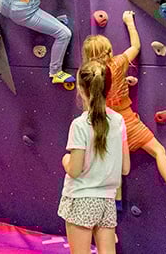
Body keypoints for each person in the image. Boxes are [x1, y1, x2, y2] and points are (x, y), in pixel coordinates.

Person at [82, 11, 166, 209]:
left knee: (113, 164)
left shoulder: (87, 74)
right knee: (158, 151)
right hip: (128, 120)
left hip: (105, 123)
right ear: (107, 50)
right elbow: (136, 47)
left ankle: (117, 202)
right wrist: (129, 21)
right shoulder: (117, 63)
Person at [59, 61, 129, 254]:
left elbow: (74, 170)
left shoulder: (80, 124)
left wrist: (65, 160)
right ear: (107, 87)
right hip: (107, 201)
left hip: (81, 198)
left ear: (81, 89)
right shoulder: (118, 121)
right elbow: (125, 168)